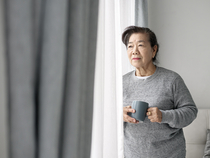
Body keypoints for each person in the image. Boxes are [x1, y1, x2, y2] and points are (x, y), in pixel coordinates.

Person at [122, 26, 197, 158]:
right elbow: (105, 116)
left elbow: (190, 111)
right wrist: (120, 115)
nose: (134, 51)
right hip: (132, 154)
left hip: (170, 154)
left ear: (154, 50)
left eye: (140, 45)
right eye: (130, 46)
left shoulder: (171, 79)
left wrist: (164, 116)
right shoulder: (122, 82)